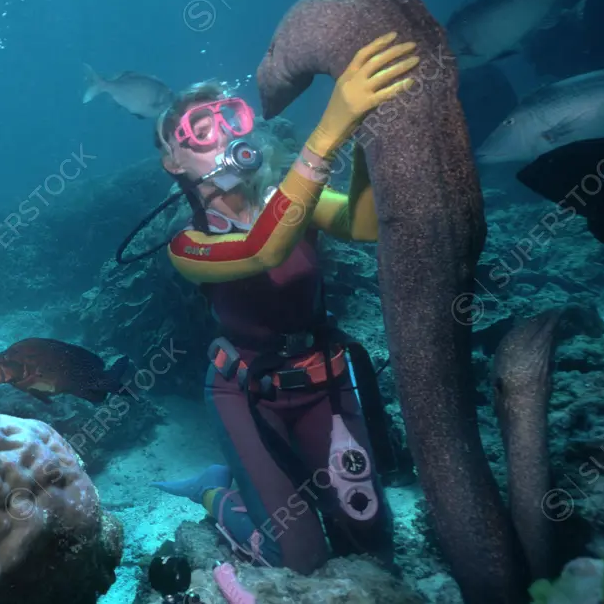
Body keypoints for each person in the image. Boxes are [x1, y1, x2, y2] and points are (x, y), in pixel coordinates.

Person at [150, 33, 418, 574]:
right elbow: (262, 248)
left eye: (231, 119)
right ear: (173, 162)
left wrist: (366, 136)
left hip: (326, 383)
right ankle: (215, 494)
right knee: (297, 556)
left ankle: (282, 489)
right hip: (245, 394)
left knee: (370, 541)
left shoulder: (287, 199)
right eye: (202, 133)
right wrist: (330, 127)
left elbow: (363, 223)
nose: (225, 136)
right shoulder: (187, 244)